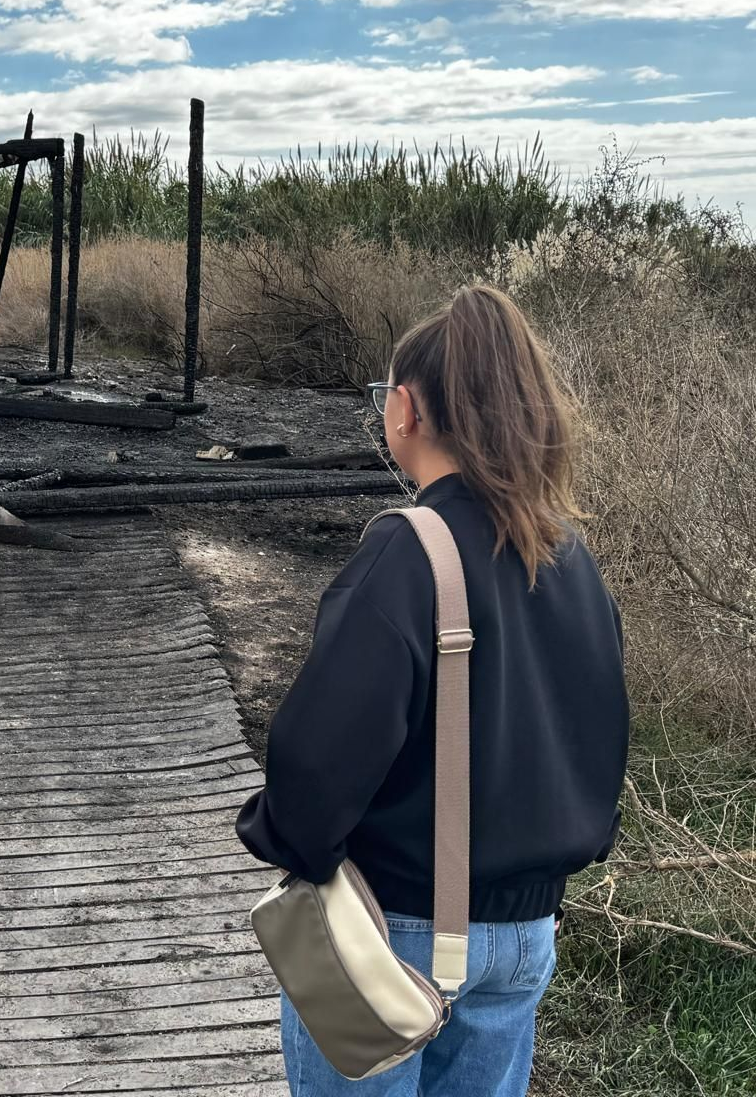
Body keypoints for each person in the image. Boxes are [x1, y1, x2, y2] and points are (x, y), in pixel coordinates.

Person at [236, 284, 629, 1097]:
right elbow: (599, 738)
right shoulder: (571, 559)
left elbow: (313, 765)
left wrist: (290, 844)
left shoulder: (407, 553)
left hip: (395, 935)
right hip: (526, 936)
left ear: (405, 409)